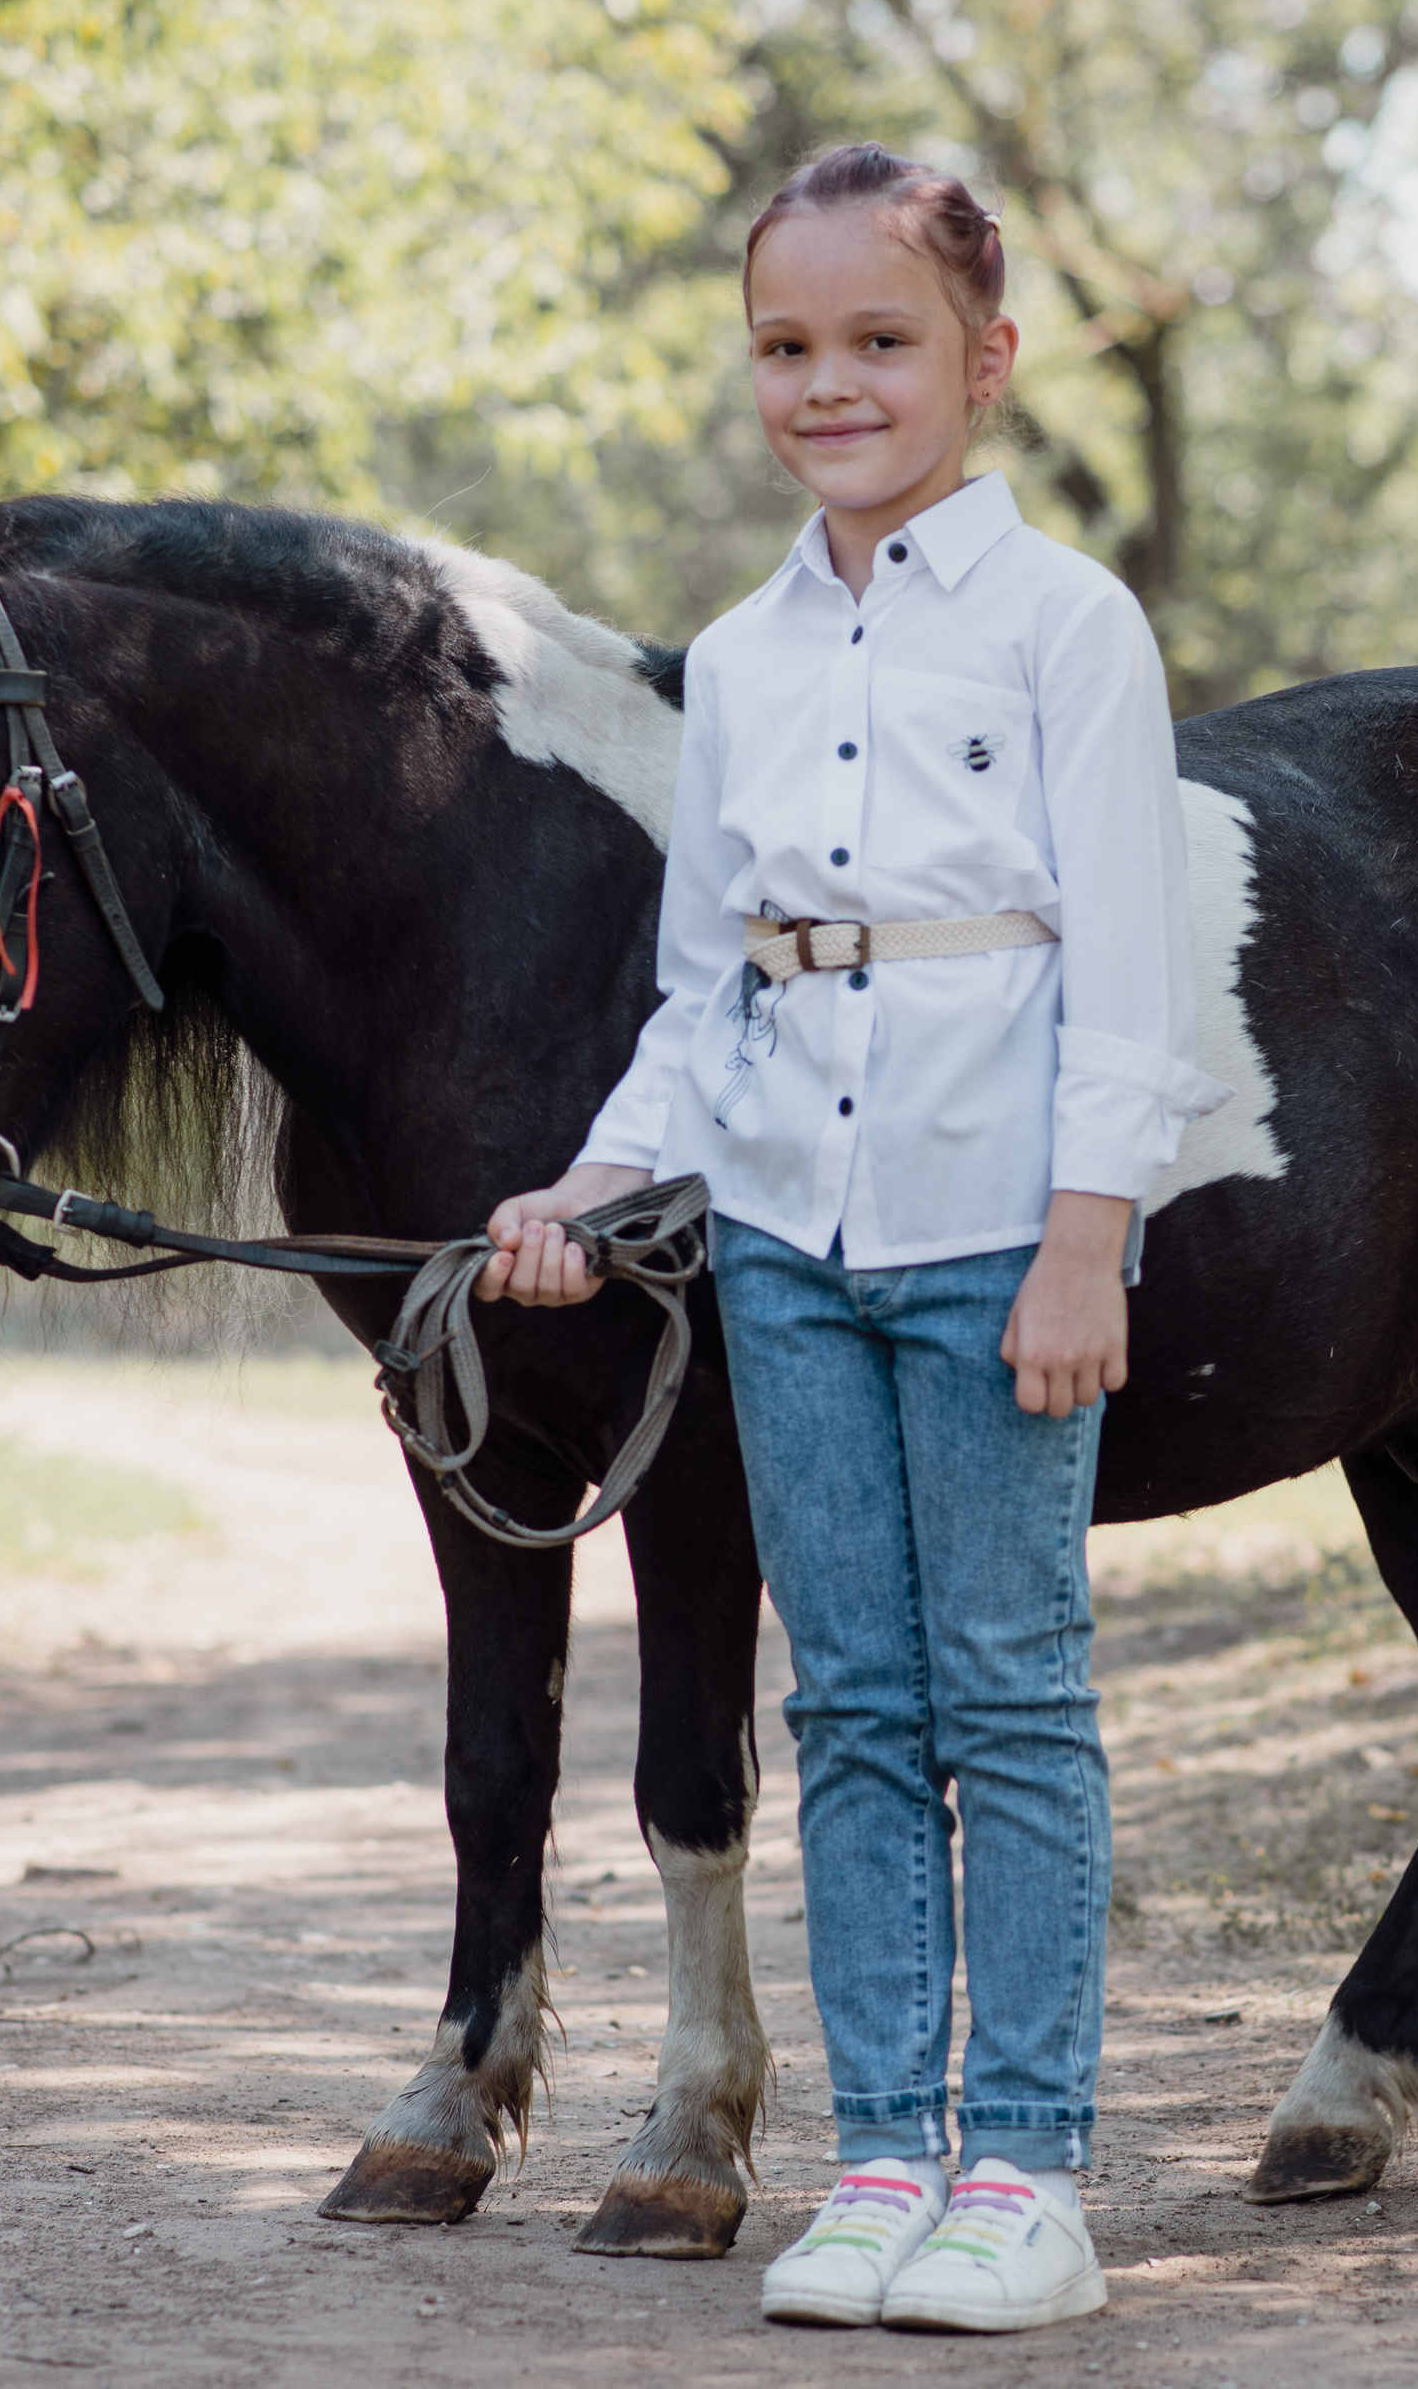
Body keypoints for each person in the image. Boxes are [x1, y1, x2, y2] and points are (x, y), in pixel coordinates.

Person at [476, 141, 1229, 2334]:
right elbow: (707, 992)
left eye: (877, 340)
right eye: (786, 347)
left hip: (998, 1231)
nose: (829, 383)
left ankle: (1031, 2170)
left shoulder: (1064, 623)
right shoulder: (734, 654)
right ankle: (884, 2153)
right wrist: (590, 1185)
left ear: (983, 362)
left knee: (1008, 1697)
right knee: (855, 1708)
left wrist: (1087, 1234)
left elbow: (1129, 967)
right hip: (787, 1248)